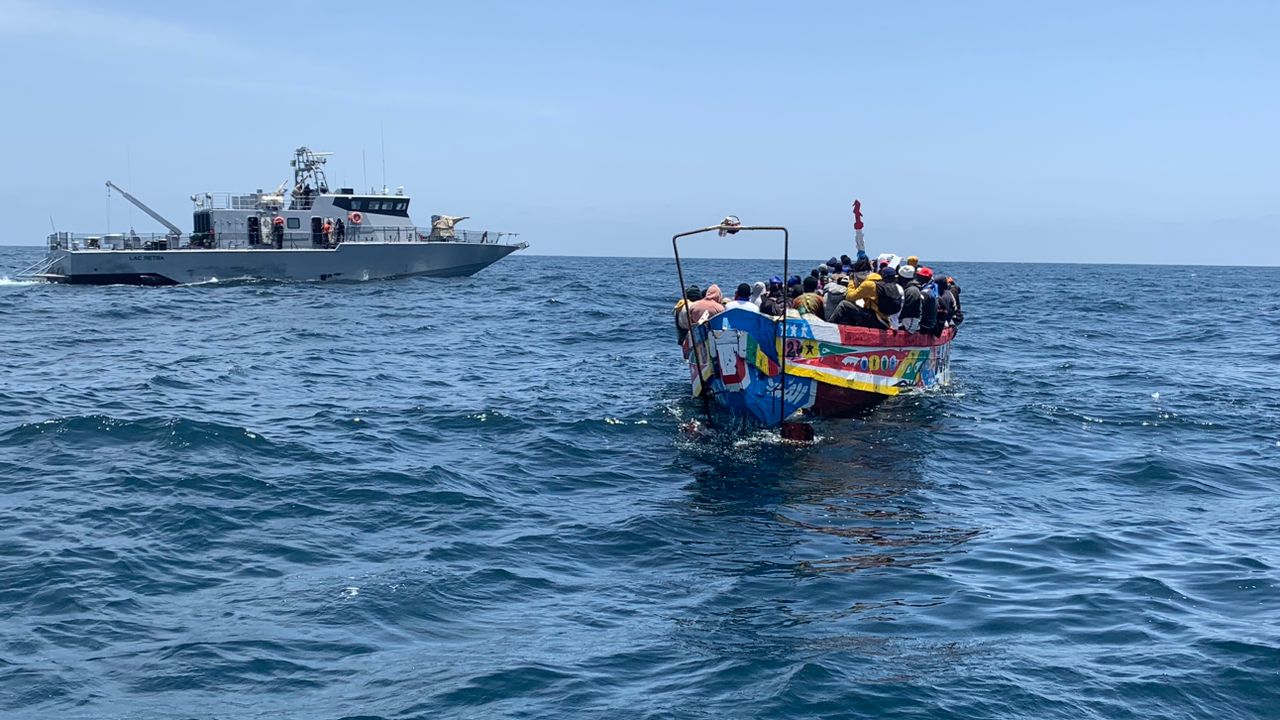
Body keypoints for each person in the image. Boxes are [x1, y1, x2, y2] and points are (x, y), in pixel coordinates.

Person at [898, 264, 922, 332]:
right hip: (906, 320)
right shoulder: (909, 288)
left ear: (902, 278)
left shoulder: (912, 290)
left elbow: (907, 308)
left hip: (909, 323)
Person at [917, 267, 939, 335]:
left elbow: (919, 309)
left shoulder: (925, 292)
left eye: (919, 276)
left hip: (925, 326)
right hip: (931, 324)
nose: (917, 278)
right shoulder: (933, 288)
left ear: (924, 278)